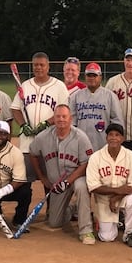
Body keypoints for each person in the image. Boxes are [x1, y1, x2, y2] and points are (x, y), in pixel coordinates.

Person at [29, 104, 95, 243]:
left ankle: (86, 231)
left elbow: (86, 163)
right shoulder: (43, 137)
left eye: (64, 116)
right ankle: (72, 208)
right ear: (53, 119)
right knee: (54, 222)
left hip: (77, 178)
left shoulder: (80, 137)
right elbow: (33, 153)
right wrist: (42, 177)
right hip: (58, 184)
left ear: (70, 119)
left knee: (81, 188)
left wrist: (68, 181)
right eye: (58, 116)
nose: (61, 119)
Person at [10, 52, 69, 181]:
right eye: (36, 65)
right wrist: (23, 124)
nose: (38, 68)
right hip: (27, 144)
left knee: (50, 181)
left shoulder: (59, 86)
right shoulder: (25, 85)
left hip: (50, 143)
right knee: (24, 181)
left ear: (48, 67)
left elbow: (64, 112)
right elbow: (15, 109)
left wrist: (47, 123)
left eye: (42, 65)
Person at [86, 123, 132, 248]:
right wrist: (118, 191)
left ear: (122, 139)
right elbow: (93, 186)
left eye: (117, 135)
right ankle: (117, 221)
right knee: (107, 237)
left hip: (124, 197)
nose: (113, 138)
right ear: (106, 138)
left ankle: (128, 233)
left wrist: (116, 197)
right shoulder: (96, 157)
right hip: (104, 200)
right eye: (110, 135)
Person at [69, 62, 123, 151]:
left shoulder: (110, 96)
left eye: (94, 75)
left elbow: (117, 122)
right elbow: (71, 122)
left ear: (100, 77)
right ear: (85, 77)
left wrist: (114, 142)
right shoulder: (76, 96)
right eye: (89, 75)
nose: (91, 78)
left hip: (104, 145)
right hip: (80, 145)